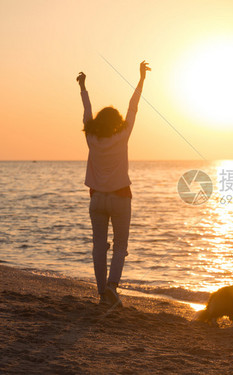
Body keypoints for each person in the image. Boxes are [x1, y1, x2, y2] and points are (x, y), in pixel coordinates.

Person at [76, 60, 150, 306]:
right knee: (120, 246)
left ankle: (101, 293)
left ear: (98, 122)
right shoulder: (123, 135)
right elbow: (133, 107)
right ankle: (112, 287)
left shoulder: (91, 137)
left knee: (99, 247)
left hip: (97, 199)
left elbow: (87, 111)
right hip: (120, 197)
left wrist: (83, 87)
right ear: (116, 122)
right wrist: (141, 79)